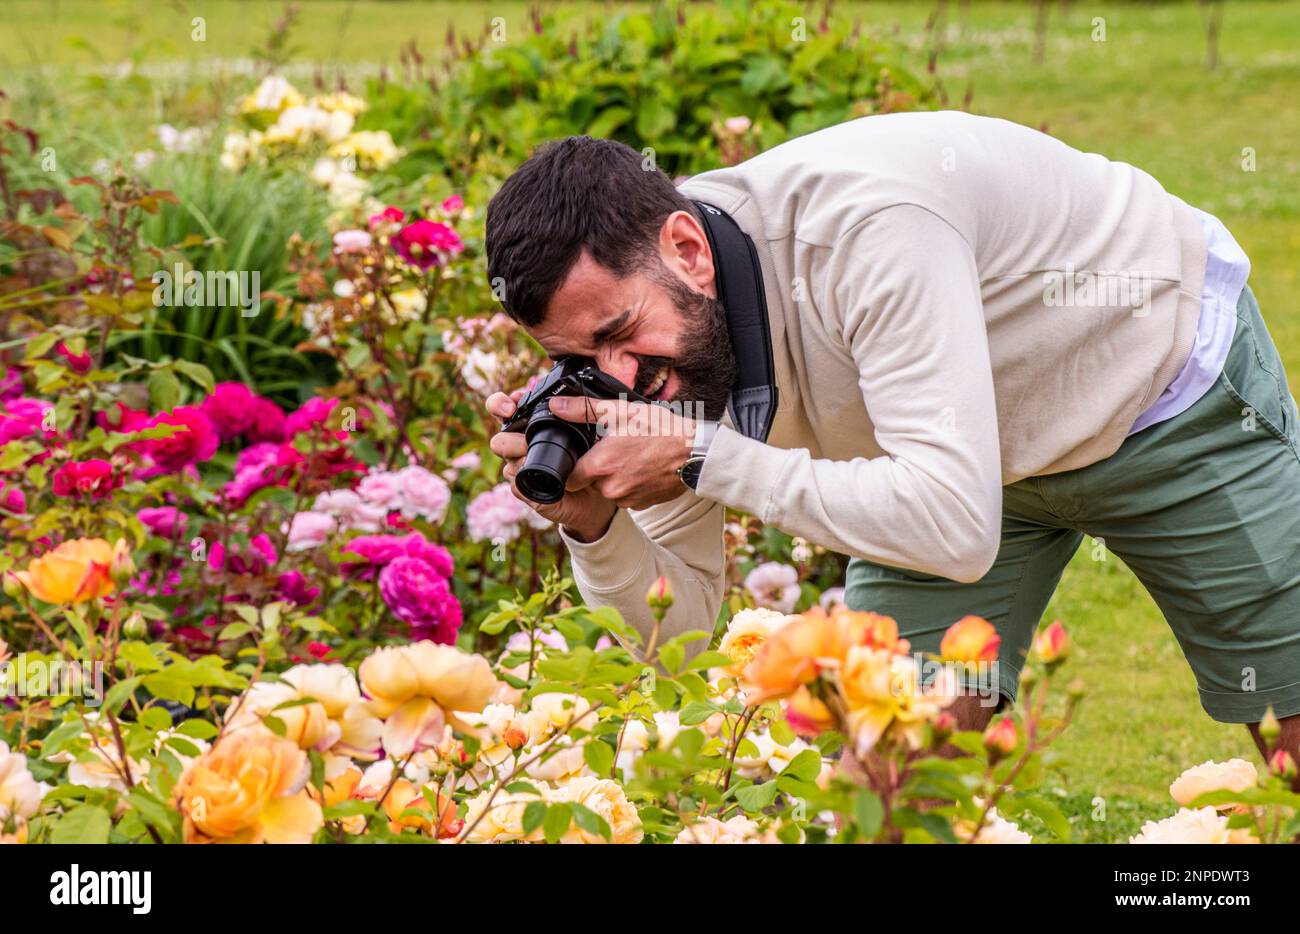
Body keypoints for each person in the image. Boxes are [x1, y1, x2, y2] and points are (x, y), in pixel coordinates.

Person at [483, 111, 1300, 756]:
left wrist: (704, 457)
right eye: (579, 357)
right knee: (887, 782)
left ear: (688, 249)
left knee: (1289, 730)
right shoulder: (662, 362)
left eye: (621, 331)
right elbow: (685, 645)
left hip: (1158, 388)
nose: (616, 377)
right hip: (939, 471)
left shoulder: (864, 230)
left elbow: (952, 523)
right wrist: (593, 526)